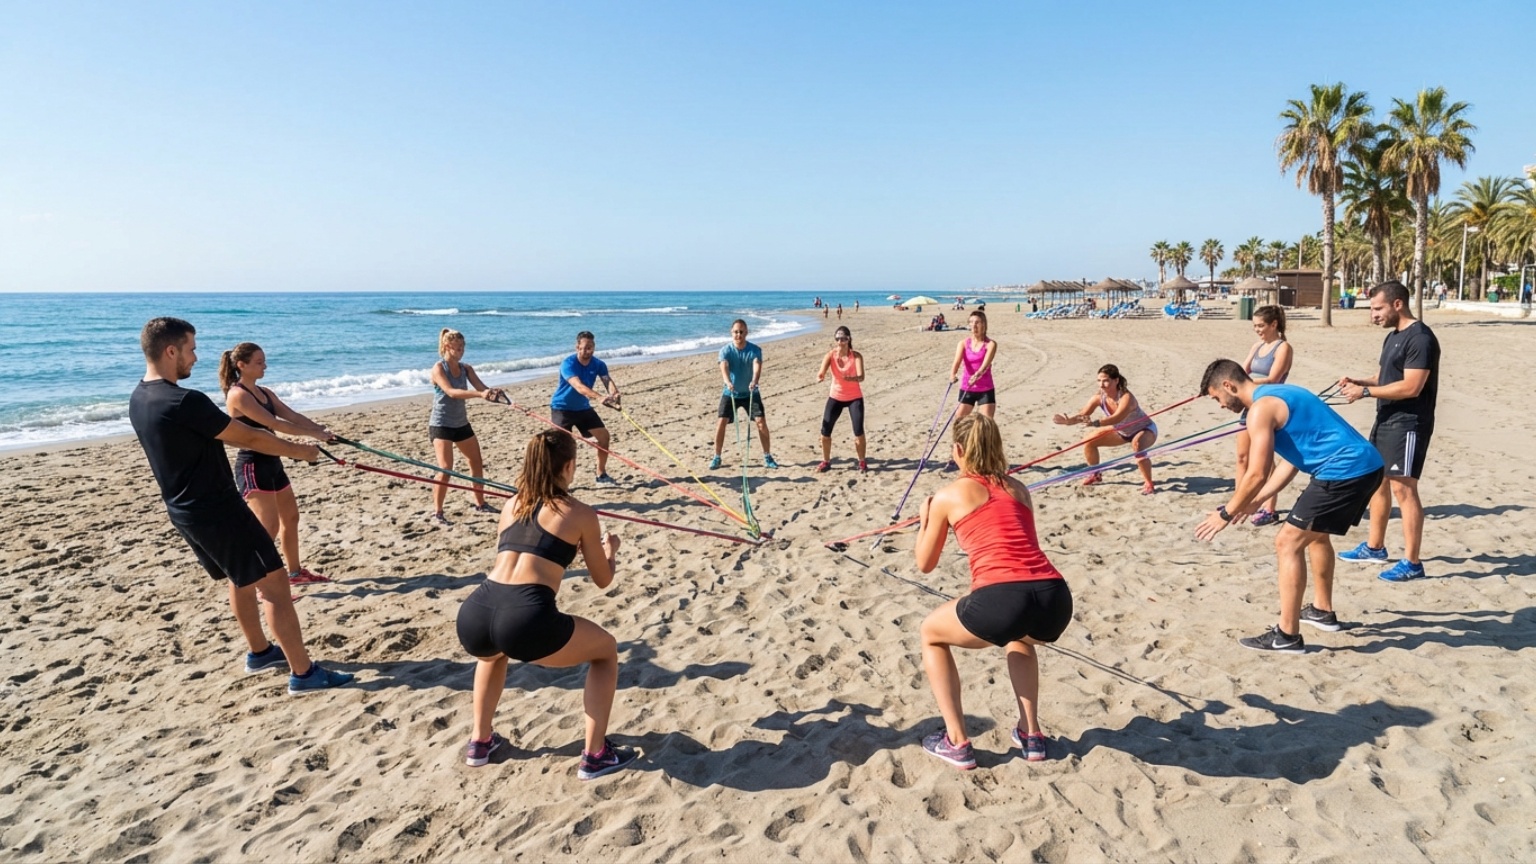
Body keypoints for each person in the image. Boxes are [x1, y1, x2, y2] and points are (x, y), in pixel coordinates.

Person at [128, 318, 353, 694]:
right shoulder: (185, 401)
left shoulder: (139, 397)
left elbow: (232, 433)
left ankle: (260, 652)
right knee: (276, 585)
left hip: (184, 512)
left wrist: (306, 437)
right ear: (170, 351)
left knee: (242, 577)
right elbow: (249, 436)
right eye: (190, 349)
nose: (195, 357)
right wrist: (301, 452)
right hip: (219, 510)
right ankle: (303, 674)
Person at [455, 429, 636, 779]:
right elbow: (602, 579)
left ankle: (480, 741)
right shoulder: (580, 512)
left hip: (477, 611)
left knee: (492, 654)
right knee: (606, 651)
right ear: (568, 467)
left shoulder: (512, 504)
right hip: (524, 617)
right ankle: (596, 754)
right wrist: (611, 552)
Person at [913, 414, 1073, 768]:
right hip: (1054, 597)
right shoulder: (1019, 489)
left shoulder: (948, 495)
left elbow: (924, 562)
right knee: (1021, 637)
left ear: (958, 450)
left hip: (1006, 597)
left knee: (930, 634)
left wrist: (926, 519)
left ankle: (956, 741)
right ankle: (1031, 735)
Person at [1196, 359, 1384, 652]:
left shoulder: (1260, 410)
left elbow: (1257, 473)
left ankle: (1287, 636)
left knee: (1287, 542)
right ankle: (1321, 610)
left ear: (1228, 386)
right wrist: (1257, 500)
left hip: (1343, 471)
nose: (1220, 405)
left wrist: (1226, 513)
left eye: (1216, 397)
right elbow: (1292, 460)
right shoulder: (1283, 392)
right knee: (1315, 535)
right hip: (1366, 466)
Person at [1335, 280, 1441, 582]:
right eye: (1372, 309)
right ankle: (1375, 547)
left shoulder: (1421, 338)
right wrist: (1360, 382)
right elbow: (1384, 376)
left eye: (1377, 308)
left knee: (1403, 488)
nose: (1373, 315)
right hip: (1386, 419)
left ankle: (1412, 563)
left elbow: (1411, 386)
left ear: (1398, 304)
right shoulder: (1394, 336)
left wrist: (1365, 393)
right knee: (1378, 482)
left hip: (1409, 423)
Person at [219, 343, 337, 586]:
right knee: (267, 528)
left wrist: (320, 429)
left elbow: (291, 416)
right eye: (259, 362)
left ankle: (295, 573)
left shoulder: (265, 392)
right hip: (252, 464)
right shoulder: (238, 394)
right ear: (242, 365)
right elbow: (274, 424)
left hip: (273, 461)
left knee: (291, 518)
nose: (265, 366)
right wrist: (313, 435)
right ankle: (260, 583)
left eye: (264, 361)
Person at [429, 328, 504, 524]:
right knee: (446, 468)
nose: (461, 351)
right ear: (447, 347)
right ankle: (438, 512)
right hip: (441, 424)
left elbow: (482, 388)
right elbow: (451, 392)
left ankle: (480, 503)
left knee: (476, 462)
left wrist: (492, 394)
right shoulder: (439, 368)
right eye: (457, 348)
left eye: (463, 348)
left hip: (461, 423)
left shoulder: (466, 368)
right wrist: (480, 394)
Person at [1051, 364, 1160, 494]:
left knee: (1137, 445)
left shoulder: (1126, 397)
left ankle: (1148, 483)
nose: (1101, 385)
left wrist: (1096, 423)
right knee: (1089, 442)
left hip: (1145, 429)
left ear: (1116, 380)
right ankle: (1095, 474)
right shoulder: (1099, 397)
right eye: (1099, 381)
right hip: (1122, 432)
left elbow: (1117, 418)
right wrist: (1067, 421)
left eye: (1106, 381)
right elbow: (1082, 415)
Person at [1235, 306, 1294, 525]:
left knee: (1265, 461)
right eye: (1255, 326)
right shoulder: (1257, 346)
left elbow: (1273, 379)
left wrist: (1244, 383)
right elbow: (1242, 371)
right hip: (1249, 404)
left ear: (1273, 324)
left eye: (1261, 326)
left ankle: (1269, 508)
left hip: (1268, 406)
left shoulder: (1283, 347)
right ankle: (1238, 502)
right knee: (1242, 456)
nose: (1257, 330)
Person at [551, 330, 622, 485]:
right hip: (562, 408)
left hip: (583, 408)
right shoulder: (568, 363)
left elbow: (607, 380)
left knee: (604, 437)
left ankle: (601, 475)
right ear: (577, 347)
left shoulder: (599, 364)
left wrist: (614, 394)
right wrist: (599, 397)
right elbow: (579, 386)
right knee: (561, 447)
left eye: (591, 348)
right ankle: (558, 482)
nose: (588, 351)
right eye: (584, 348)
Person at [710, 319, 777, 469]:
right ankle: (717, 457)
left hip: (751, 393)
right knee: (721, 422)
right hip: (730, 393)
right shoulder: (725, 350)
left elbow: (756, 365)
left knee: (761, 422)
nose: (738, 335)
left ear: (746, 332)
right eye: (736, 332)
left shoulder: (755, 349)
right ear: (731, 332)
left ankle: (767, 456)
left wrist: (755, 380)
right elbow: (724, 366)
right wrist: (727, 382)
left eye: (741, 332)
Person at [815, 325, 867, 473]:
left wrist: (851, 378)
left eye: (843, 338)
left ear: (849, 339)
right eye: (837, 339)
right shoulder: (830, 355)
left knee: (858, 431)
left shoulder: (856, 356)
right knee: (825, 431)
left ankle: (862, 462)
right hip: (836, 396)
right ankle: (826, 461)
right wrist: (820, 376)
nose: (840, 342)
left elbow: (861, 377)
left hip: (854, 397)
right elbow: (821, 371)